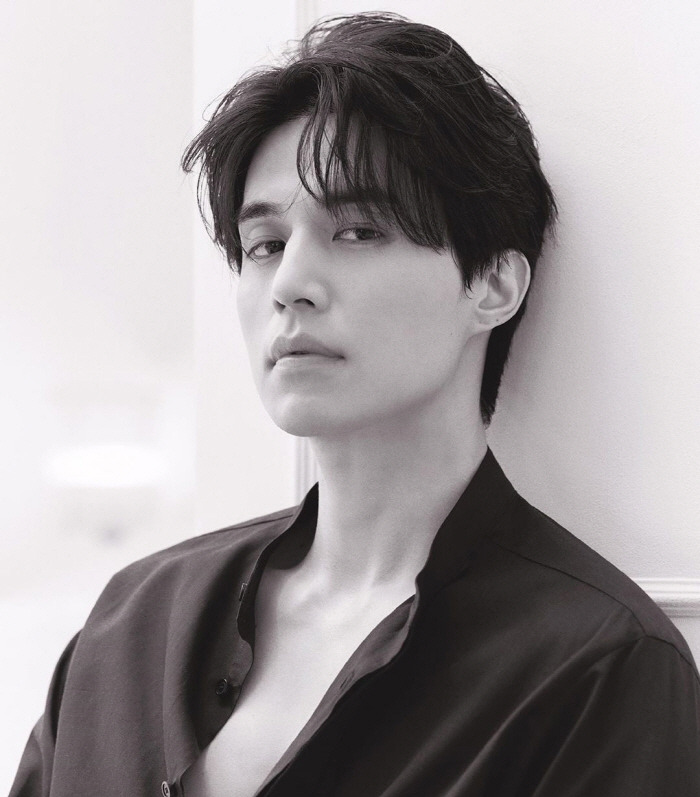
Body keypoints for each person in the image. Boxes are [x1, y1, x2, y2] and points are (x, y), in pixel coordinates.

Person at [11, 12, 700, 797]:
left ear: (492, 284)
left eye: (360, 231)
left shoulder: (598, 669)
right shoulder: (131, 623)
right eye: (265, 245)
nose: (290, 284)